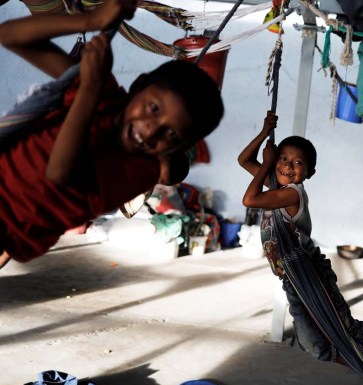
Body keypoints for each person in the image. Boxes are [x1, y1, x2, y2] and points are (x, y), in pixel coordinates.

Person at [0, 0, 224, 268]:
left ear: (178, 147)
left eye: (172, 135)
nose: (150, 130)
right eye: (153, 107)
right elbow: (9, 36)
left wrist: (89, 89)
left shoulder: (140, 170)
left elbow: (58, 172)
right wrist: (91, 21)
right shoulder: (105, 95)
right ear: (139, 85)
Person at [238, 110, 363, 363]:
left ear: (310, 173)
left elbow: (249, 200)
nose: (287, 165)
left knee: (344, 327)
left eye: (298, 163)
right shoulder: (276, 186)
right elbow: (243, 160)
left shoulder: (291, 194)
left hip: (310, 272)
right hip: (292, 277)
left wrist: (266, 164)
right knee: (313, 344)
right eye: (283, 158)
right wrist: (264, 133)